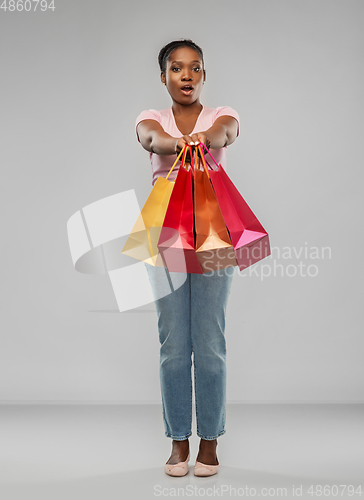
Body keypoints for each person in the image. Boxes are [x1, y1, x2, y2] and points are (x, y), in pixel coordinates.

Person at [135, 39, 239, 477]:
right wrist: (178, 144)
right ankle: (179, 441)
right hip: (163, 233)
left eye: (195, 68)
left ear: (203, 76)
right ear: (164, 77)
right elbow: (152, 140)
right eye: (177, 69)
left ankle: (210, 442)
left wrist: (203, 138)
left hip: (215, 234)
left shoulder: (220, 116)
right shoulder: (151, 118)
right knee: (174, 342)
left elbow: (225, 134)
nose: (187, 76)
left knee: (210, 341)